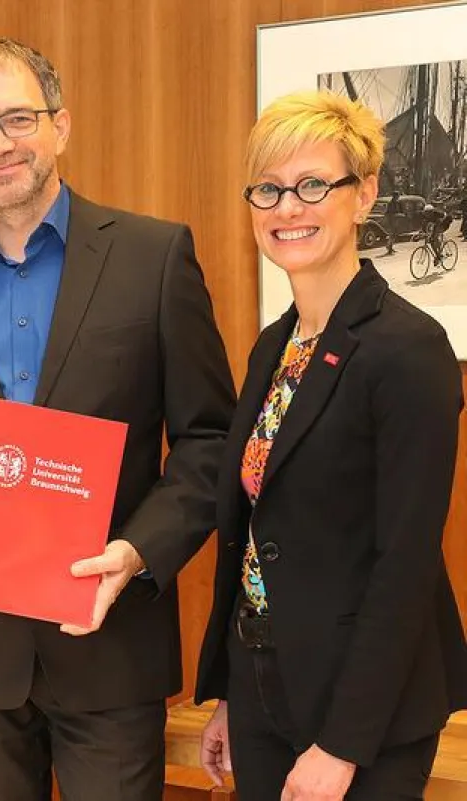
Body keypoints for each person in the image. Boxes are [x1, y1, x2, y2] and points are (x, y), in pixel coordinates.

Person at [0, 37, 235, 801]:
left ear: (61, 126)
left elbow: (209, 440)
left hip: (109, 645)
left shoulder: (154, 257)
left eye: (17, 119)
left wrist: (138, 551)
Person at [195, 90, 467, 801]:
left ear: (364, 192)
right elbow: (255, 535)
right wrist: (231, 691)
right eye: (269, 188)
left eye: (314, 185)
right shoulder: (273, 347)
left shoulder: (409, 350)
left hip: (363, 710)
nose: (288, 207)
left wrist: (342, 745)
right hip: (263, 683)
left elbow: (405, 563)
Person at [383, 189, 399, 255]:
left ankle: (390, 247)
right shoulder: (391, 203)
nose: (398, 197)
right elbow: (389, 213)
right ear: (394, 196)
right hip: (391, 221)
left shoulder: (396, 203)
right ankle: (389, 248)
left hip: (394, 220)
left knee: (394, 235)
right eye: (397, 196)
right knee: (392, 235)